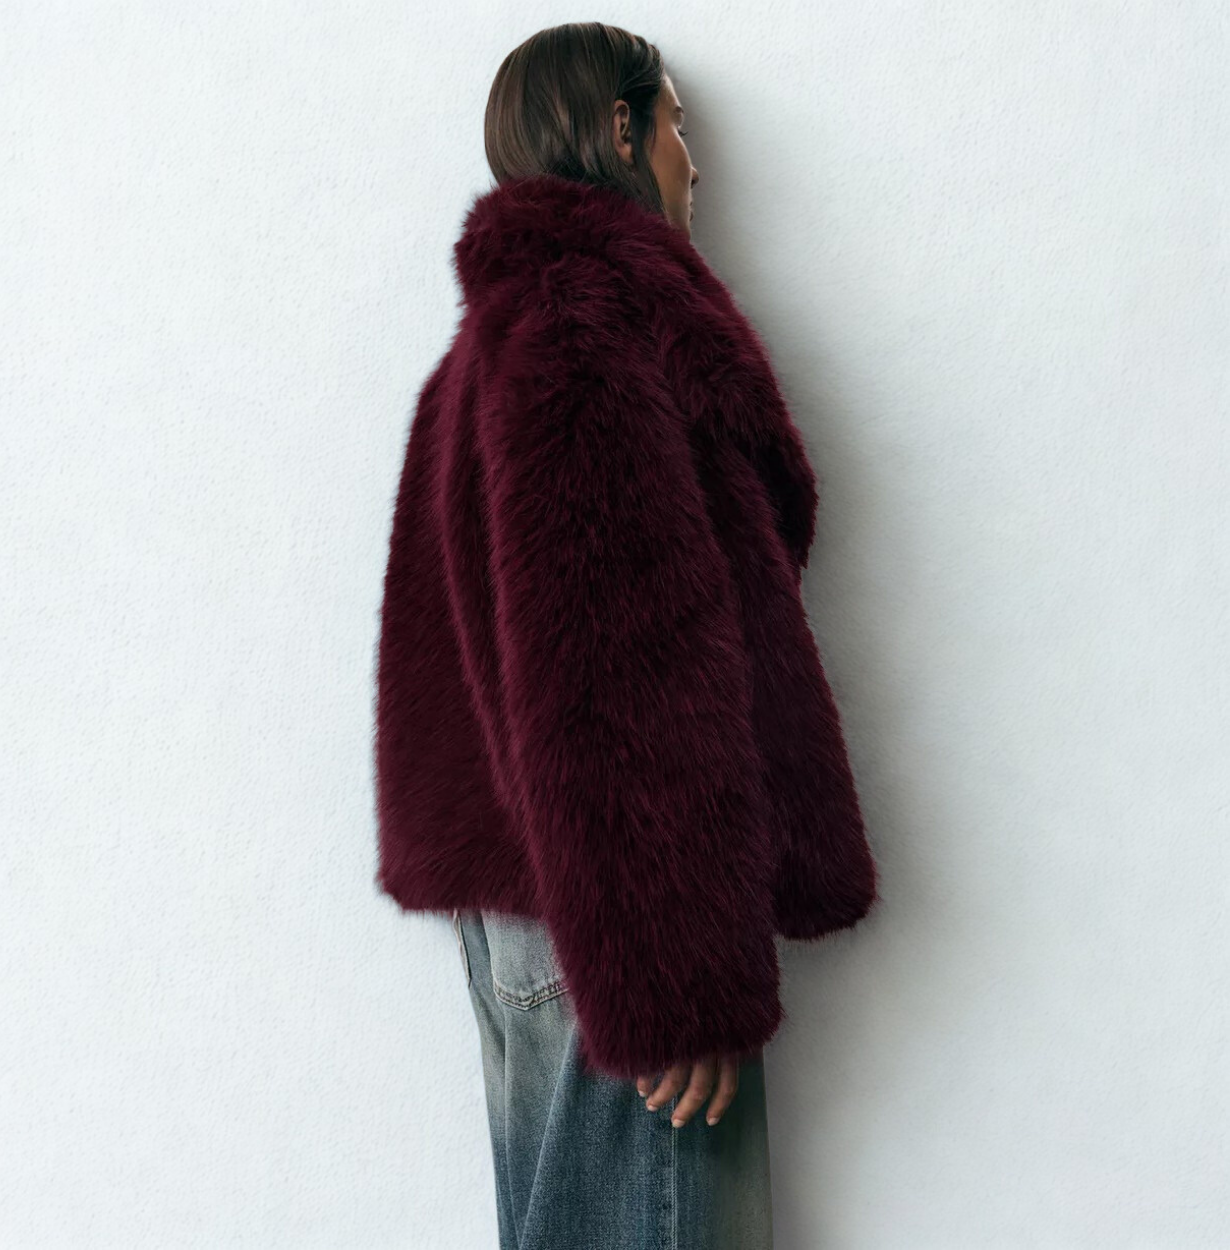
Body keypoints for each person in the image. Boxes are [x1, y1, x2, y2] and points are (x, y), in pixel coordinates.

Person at [372, 22, 880, 1249]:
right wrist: (669, 975)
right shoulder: (583, 329)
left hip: (540, 902)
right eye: (674, 127)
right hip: (614, 915)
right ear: (617, 129)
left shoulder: (486, 351)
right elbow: (610, 665)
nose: (691, 163)